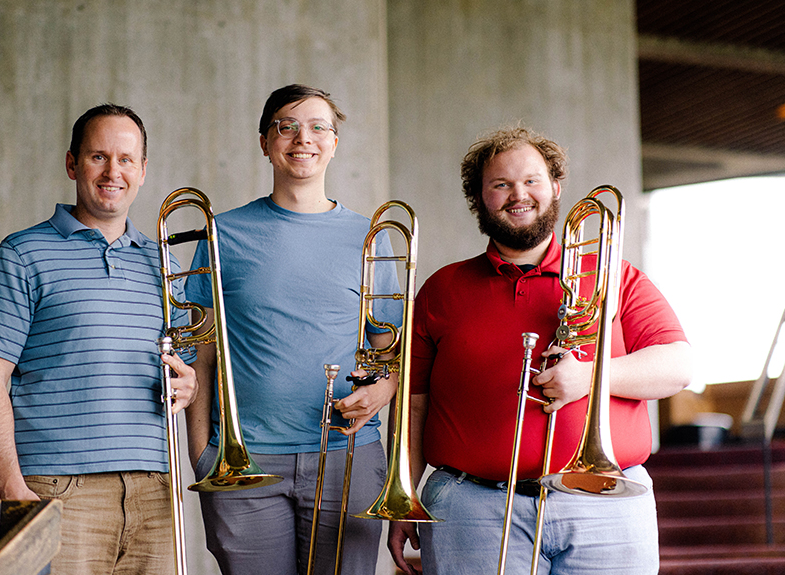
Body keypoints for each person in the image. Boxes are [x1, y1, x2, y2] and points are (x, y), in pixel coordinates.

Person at [387, 127, 692, 575]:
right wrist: (404, 494)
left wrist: (588, 376)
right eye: (500, 184)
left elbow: (677, 366)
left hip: (605, 504)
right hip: (472, 510)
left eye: (532, 180)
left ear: (555, 186)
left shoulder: (613, 274)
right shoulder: (441, 289)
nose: (519, 195)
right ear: (479, 198)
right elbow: (413, 407)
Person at [0, 104, 198, 575]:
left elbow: (185, 375)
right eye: (98, 157)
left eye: (127, 159)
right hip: (61, 489)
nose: (114, 172)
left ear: (143, 170)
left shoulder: (165, 265)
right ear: (72, 164)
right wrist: (12, 487)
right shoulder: (21, 254)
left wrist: (187, 386)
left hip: (156, 491)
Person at [184, 84, 403, 575]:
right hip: (243, 462)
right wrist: (202, 452)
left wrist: (384, 390)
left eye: (319, 126)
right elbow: (200, 350)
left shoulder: (372, 238)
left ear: (334, 142)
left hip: (347, 458)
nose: (303, 138)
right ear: (265, 142)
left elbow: (391, 347)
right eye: (287, 126)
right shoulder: (222, 233)